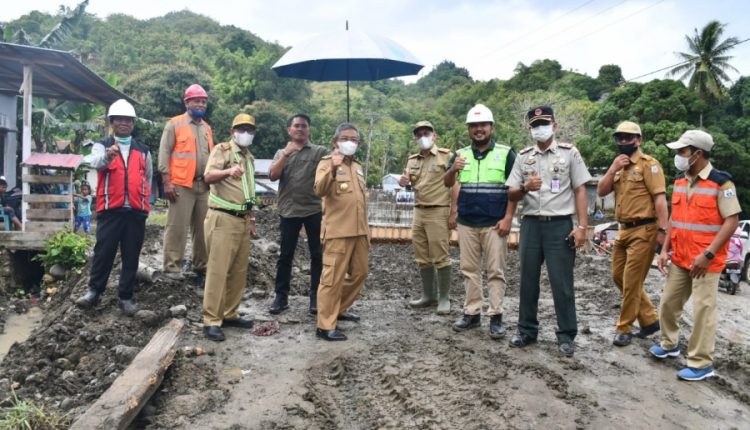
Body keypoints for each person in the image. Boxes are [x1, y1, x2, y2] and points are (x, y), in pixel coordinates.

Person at [651, 130, 740, 381]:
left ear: (698, 154)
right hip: (680, 257)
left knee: (703, 310)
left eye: (682, 151)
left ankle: (701, 363)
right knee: (668, 303)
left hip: (706, 261)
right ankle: (669, 344)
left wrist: (708, 254)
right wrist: (664, 249)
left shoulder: (721, 183)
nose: (678, 155)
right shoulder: (680, 181)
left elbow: (731, 221)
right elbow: (674, 219)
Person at [506, 105, 592, 357]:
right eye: (535, 125)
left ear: (554, 126)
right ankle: (526, 330)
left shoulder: (569, 153)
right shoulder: (523, 157)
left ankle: (566, 335)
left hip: (560, 225)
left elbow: (580, 190)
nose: (539, 128)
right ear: (530, 129)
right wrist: (525, 186)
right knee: (527, 281)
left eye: (544, 123)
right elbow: (510, 193)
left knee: (562, 283)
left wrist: (582, 227)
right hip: (531, 225)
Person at [443, 105, 517, 338]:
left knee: (495, 271)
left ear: (491, 127)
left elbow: (514, 189)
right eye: (474, 126)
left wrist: (508, 218)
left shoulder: (506, 154)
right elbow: (447, 183)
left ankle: (496, 316)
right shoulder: (460, 154)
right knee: (469, 270)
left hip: (495, 224)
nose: (478, 129)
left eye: (483, 125)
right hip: (467, 222)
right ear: (469, 129)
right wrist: (452, 169)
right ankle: (472, 313)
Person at [75, 99, 152, 316]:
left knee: (131, 255)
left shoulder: (143, 150)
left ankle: (126, 297)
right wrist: (109, 156)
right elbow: (95, 163)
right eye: (119, 119)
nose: (124, 123)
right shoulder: (102, 145)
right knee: (104, 252)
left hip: (136, 211)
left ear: (133, 123)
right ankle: (94, 291)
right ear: (112, 122)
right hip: (110, 209)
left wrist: (144, 203)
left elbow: (147, 177)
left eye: (128, 120)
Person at [596, 121, 668, 347]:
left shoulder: (649, 165)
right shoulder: (619, 166)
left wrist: (663, 231)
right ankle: (650, 319)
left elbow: (660, 199)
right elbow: (601, 191)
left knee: (631, 282)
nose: (624, 141)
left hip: (644, 230)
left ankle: (624, 328)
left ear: (639, 140)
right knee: (618, 276)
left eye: (629, 137)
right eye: (620, 138)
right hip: (623, 230)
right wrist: (612, 168)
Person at [201, 113, 258, 341]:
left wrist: (251, 218)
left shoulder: (249, 157)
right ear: (232, 131)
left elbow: (248, 190)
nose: (246, 133)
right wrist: (227, 171)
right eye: (241, 129)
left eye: (250, 130)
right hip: (222, 218)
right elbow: (208, 177)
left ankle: (229, 313)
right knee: (218, 271)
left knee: (238, 271)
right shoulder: (222, 151)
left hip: (242, 220)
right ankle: (211, 320)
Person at [268, 114, 329, 315]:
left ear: (309, 130)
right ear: (289, 130)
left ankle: (316, 297)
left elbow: (332, 168)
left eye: (304, 126)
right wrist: (286, 154)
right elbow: (273, 175)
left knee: (317, 255)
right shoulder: (281, 152)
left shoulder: (320, 152)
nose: (300, 129)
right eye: (296, 126)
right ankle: (281, 297)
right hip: (288, 210)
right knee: (285, 255)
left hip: (314, 210)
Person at [313, 123, 369, 341]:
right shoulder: (326, 163)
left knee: (360, 273)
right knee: (332, 279)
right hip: (338, 231)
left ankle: (338, 309)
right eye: (345, 138)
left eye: (354, 140)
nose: (350, 142)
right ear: (335, 141)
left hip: (360, 231)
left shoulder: (357, 167)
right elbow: (319, 190)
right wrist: (333, 169)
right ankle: (325, 325)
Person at [158, 84, 214, 284]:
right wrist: (167, 182)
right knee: (177, 227)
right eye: (196, 101)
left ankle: (201, 268)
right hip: (181, 185)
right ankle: (172, 268)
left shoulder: (207, 128)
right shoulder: (174, 124)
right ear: (187, 103)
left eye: (203, 101)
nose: (201, 104)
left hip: (203, 186)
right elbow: (164, 152)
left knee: (203, 229)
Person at [399, 120, 455, 314]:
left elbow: (456, 184)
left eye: (426, 133)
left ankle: (444, 298)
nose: (423, 137)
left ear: (434, 135)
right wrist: (403, 182)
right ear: (415, 138)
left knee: (441, 255)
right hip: (418, 210)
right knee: (422, 255)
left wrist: (454, 212)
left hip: (438, 210)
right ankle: (429, 295)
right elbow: (411, 184)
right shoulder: (412, 160)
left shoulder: (446, 156)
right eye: (419, 134)